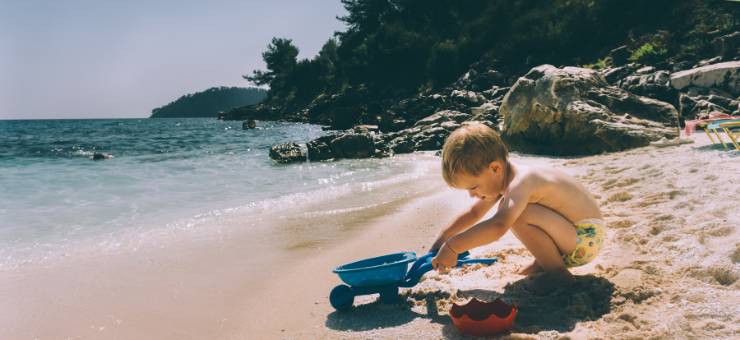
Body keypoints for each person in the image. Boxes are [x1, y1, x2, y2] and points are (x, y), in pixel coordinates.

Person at [430, 122, 605, 289]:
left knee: (517, 215)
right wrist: (443, 240)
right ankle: (545, 262)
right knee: (517, 211)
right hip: (571, 235)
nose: (471, 195)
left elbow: (499, 226)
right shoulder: (500, 180)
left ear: (495, 168)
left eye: (474, 187)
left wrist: (455, 246)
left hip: (586, 238)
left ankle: (557, 273)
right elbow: (474, 213)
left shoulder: (522, 182)